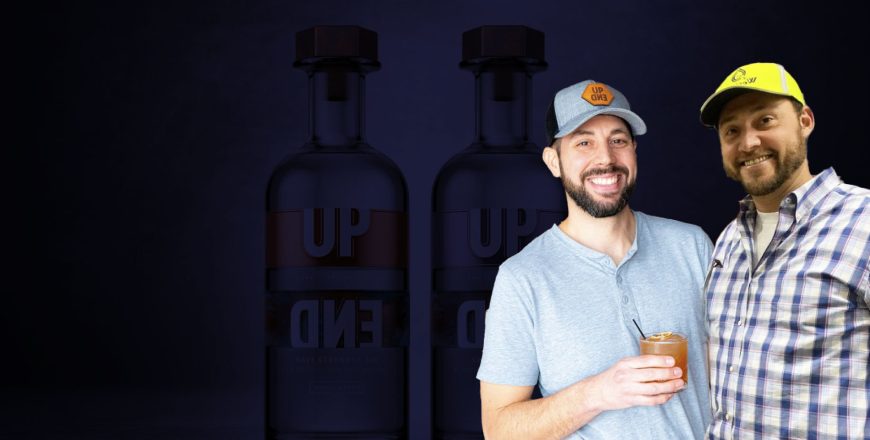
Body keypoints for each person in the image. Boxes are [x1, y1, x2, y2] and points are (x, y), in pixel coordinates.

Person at [476, 79, 713, 439]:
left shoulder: (692, 246)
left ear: (634, 150)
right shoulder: (522, 278)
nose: (605, 159)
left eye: (618, 140)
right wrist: (598, 392)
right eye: (583, 142)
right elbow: (499, 429)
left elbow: (734, 373)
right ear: (553, 161)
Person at [699, 62, 869, 439]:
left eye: (765, 120)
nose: (748, 143)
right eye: (732, 130)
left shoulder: (864, 221)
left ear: (805, 120)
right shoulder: (728, 240)